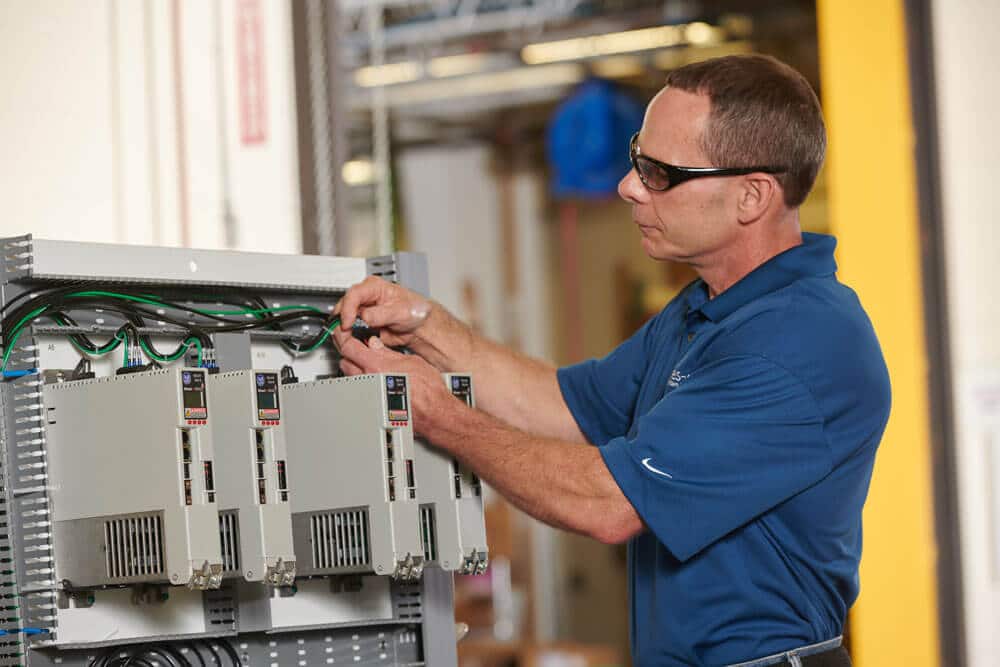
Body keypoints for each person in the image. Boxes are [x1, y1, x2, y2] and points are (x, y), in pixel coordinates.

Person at [332, 54, 890, 667]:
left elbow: (608, 504)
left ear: (751, 196)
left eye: (659, 172)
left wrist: (438, 414)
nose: (628, 186)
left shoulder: (799, 342)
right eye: (635, 158)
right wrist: (432, 329)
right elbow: (566, 408)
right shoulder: (705, 310)